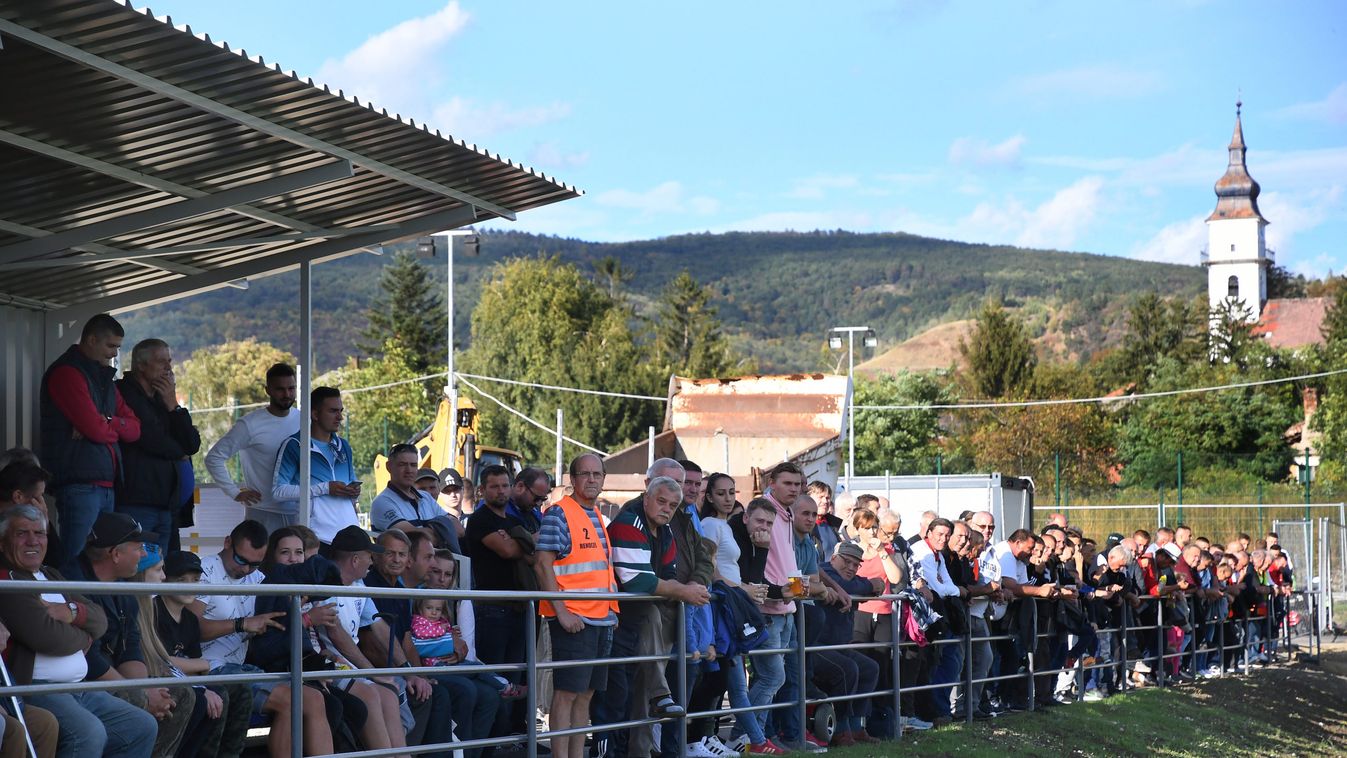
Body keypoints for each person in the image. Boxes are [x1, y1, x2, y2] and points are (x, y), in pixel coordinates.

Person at [66, 512, 193, 755]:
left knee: (181, 695)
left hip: (116, 678)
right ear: (115, 554)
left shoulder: (123, 584)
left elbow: (131, 647)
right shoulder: (72, 581)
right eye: (138, 548)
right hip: (88, 683)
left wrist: (142, 688)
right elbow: (89, 659)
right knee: (142, 707)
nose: (144, 554)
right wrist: (140, 694)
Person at [0, 505, 118, 758]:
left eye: (39, 533)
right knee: (89, 732)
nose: (33, 540)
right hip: (38, 689)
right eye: (22, 533)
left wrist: (72, 612)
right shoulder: (7, 580)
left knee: (139, 725)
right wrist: (85, 635)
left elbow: (100, 618)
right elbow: (48, 638)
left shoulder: (50, 574)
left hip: (79, 688)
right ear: (2, 542)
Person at [607, 476, 707, 758]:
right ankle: (661, 696)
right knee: (619, 701)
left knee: (644, 691)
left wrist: (681, 589)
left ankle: (642, 749)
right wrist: (684, 591)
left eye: (673, 505)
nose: (666, 509)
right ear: (646, 496)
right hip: (618, 619)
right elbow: (639, 582)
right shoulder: (629, 522)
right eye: (661, 501)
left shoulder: (665, 532)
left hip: (648, 621)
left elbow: (668, 577)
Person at [39, 313, 141, 574]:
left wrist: (107, 422)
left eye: (117, 348)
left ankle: (94, 611)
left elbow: (134, 429)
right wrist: (109, 425)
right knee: (76, 559)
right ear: (91, 340)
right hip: (79, 484)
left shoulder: (103, 379)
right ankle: (70, 609)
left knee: (103, 562)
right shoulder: (67, 373)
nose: (113, 354)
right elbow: (96, 430)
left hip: (106, 483)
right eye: (110, 346)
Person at [535, 454, 617, 758]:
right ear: (573, 479)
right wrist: (562, 612)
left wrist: (612, 611)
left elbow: (601, 570)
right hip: (573, 618)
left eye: (597, 474)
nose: (592, 479)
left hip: (600, 618)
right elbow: (542, 565)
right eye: (585, 474)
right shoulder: (559, 513)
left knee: (585, 696)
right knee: (567, 695)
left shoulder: (596, 514)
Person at [690, 473, 772, 755]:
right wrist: (743, 589)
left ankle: (714, 737)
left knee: (727, 680)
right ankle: (706, 738)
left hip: (729, 603)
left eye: (732, 492)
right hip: (719, 605)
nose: (728, 498)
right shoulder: (710, 524)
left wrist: (744, 589)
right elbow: (710, 568)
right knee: (721, 679)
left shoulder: (722, 525)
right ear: (709, 496)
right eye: (721, 493)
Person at [155, 550, 251, 758]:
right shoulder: (154, 612)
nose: (190, 585)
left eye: (195, 580)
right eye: (181, 580)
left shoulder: (189, 619)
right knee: (215, 696)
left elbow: (197, 665)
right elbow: (163, 662)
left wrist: (200, 669)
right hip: (163, 683)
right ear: (165, 579)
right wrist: (201, 669)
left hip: (187, 680)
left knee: (241, 689)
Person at [463, 464, 535, 738]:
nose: (501, 491)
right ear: (482, 490)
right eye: (494, 486)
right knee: (496, 680)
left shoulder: (512, 522)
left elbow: (531, 555)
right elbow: (509, 550)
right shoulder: (481, 519)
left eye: (505, 485)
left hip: (517, 609)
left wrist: (523, 541)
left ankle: (508, 739)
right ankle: (490, 744)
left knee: (515, 679)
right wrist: (525, 541)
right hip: (492, 610)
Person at [115, 338, 201, 554]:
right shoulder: (122, 393)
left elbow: (191, 443)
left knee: (165, 572)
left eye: (169, 361)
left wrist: (173, 404)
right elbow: (150, 438)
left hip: (168, 504)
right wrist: (178, 450)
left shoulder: (163, 398)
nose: (169, 367)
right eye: (161, 362)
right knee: (137, 569)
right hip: (136, 500)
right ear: (140, 365)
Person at [204, 363, 300, 533]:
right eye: (280, 389)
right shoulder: (250, 424)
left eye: (291, 388)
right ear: (267, 390)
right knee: (262, 560)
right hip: (264, 513)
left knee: (300, 560)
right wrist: (234, 492)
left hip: (302, 511)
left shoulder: (305, 420)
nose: (287, 394)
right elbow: (214, 458)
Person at [129, 545, 205, 758]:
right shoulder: (147, 607)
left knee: (209, 694)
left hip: (155, 677)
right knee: (192, 696)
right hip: (131, 681)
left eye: (196, 580)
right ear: (141, 573)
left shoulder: (187, 618)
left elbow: (161, 659)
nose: (163, 577)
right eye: (158, 570)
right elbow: (156, 660)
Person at [272, 386, 360, 546]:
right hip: (315, 539)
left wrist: (353, 491)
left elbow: (351, 486)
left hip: (349, 537)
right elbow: (278, 492)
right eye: (333, 411)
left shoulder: (343, 445)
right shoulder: (295, 445)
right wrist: (325, 488)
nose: (340, 417)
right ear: (314, 414)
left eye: (341, 410)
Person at [816, 542, 882, 746]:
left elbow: (860, 586)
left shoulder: (851, 579)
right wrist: (870, 585)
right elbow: (851, 587)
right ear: (834, 557)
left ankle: (855, 727)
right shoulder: (825, 571)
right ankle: (840, 729)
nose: (851, 568)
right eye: (847, 561)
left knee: (870, 668)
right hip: (816, 647)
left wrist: (866, 586)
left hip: (839, 646)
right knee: (848, 670)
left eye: (856, 564)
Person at [370, 444, 461, 552]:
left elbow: (459, 530)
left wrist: (430, 531)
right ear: (389, 467)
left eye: (413, 465)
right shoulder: (382, 503)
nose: (409, 470)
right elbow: (418, 539)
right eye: (402, 464)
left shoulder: (426, 497)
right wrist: (443, 530)